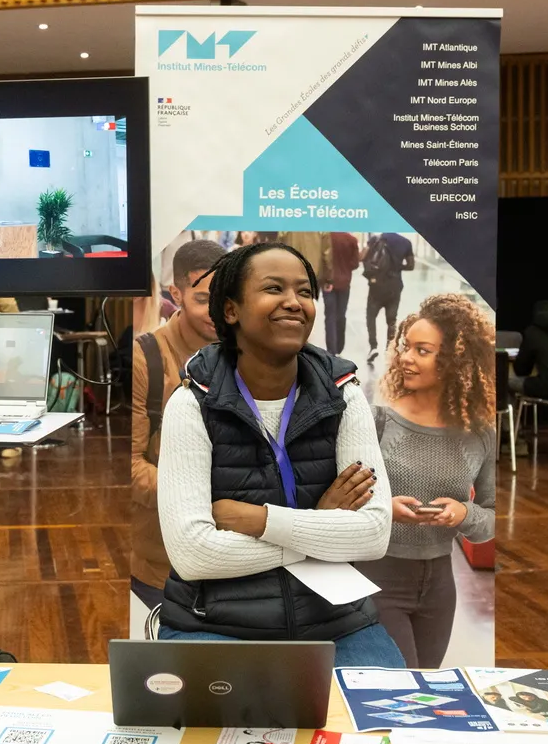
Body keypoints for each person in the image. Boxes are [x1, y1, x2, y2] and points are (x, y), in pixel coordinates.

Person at [155, 242, 402, 668]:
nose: (294, 302)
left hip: (338, 623)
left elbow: (373, 534)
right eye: (274, 289)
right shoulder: (192, 403)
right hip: (216, 625)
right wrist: (321, 528)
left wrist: (259, 520)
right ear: (231, 310)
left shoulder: (344, 395)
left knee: (388, 727)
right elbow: (193, 554)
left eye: (304, 292)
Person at [360, 293, 496, 666]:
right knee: (397, 690)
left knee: (424, 692)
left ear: (456, 360)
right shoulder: (377, 420)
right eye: (406, 347)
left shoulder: (480, 433)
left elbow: (492, 519)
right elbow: (334, 500)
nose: (406, 357)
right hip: (377, 575)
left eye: (422, 350)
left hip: (440, 584)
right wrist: (383, 508)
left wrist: (464, 514)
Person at [129, 238, 226, 628]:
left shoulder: (254, 355)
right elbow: (130, 466)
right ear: (176, 294)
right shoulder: (144, 359)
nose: (218, 312)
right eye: (204, 299)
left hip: (238, 567)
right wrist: (206, 501)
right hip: (162, 569)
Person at [361, 232, 414, 365]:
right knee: (391, 320)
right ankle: (389, 350)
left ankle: (373, 347)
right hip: (395, 286)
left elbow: (362, 257)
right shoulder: (406, 242)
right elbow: (411, 265)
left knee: (371, 316)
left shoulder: (376, 239)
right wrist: (397, 266)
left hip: (377, 285)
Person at [321, 231, 361, 355]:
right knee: (341, 315)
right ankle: (339, 346)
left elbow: (321, 259)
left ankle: (331, 350)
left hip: (328, 282)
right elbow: (355, 263)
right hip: (344, 282)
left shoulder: (325, 238)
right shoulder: (351, 240)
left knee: (330, 316)